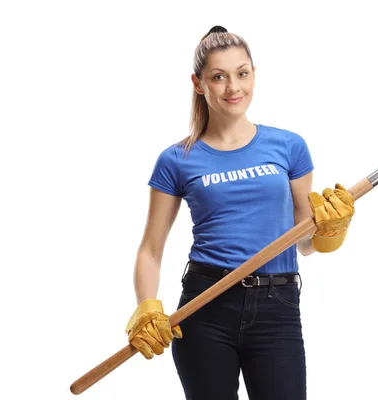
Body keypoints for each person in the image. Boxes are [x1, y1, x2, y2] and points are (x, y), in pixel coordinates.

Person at [124, 25, 356, 400]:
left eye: (242, 73)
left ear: (253, 75)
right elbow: (150, 250)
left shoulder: (289, 147)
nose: (234, 87)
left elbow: (305, 242)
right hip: (204, 307)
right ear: (199, 83)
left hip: (277, 307)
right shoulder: (176, 160)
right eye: (219, 77)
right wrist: (147, 306)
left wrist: (331, 232)